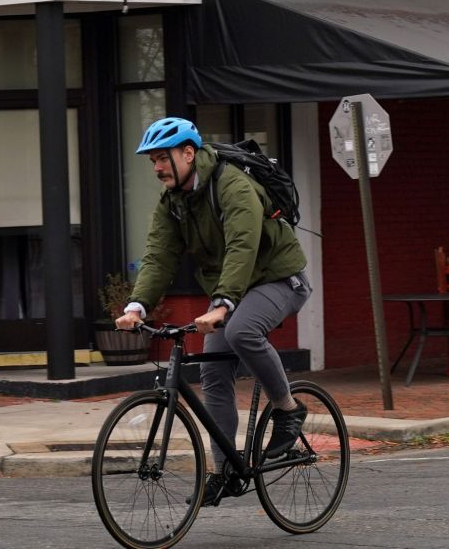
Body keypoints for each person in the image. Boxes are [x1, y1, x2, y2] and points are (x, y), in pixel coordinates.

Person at [115, 116, 312, 507]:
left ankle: (288, 409)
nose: (156, 168)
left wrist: (222, 303)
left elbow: (243, 245)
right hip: (234, 290)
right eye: (151, 160)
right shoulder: (173, 202)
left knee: (241, 332)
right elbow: (158, 256)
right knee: (212, 370)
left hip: (280, 279)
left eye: (162, 158)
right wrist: (137, 306)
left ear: (188, 153)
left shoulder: (232, 185)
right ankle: (224, 472)